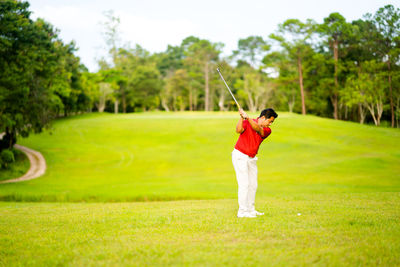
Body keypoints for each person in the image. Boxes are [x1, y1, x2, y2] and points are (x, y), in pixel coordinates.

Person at [232, 108, 278, 218]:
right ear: (263, 118)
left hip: (252, 158)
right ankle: (242, 212)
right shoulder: (248, 121)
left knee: (253, 185)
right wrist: (241, 118)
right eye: (270, 121)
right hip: (240, 155)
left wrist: (247, 118)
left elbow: (258, 129)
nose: (270, 124)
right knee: (244, 184)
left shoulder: (267, 130)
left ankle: (251, 210)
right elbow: (238, 130)